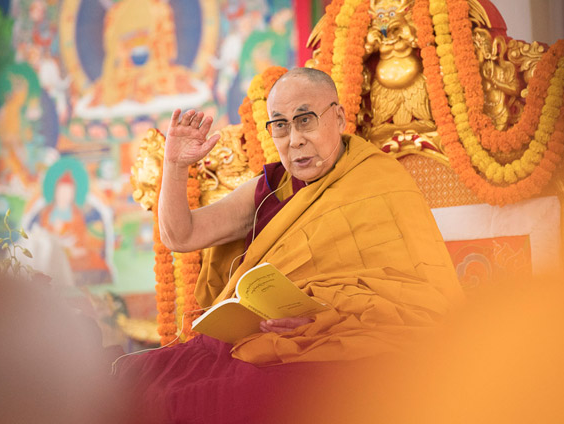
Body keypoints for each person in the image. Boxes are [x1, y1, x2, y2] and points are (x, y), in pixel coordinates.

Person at [116, 68, 463, 422]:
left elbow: (423, 301)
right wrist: (175, 165)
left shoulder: (380, 181)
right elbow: (181, 235)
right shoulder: (271, 189)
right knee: (136, 385)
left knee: (249, 393)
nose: (294, 139)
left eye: (305, 120)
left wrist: (323, 320)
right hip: (252, 341)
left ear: (338, 117)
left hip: (338, 346)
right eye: (280, 125)